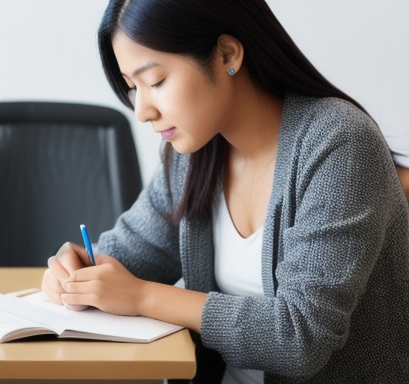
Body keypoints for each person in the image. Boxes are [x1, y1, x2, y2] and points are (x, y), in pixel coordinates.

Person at [42, 1, 409, 383]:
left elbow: (300, 337)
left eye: (155, 81)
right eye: (133, 88)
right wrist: (77, 270)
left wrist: (141, 298)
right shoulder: (192, 154)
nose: (142, 111)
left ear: (226, 54)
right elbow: (130, 254)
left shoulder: (339, 144)